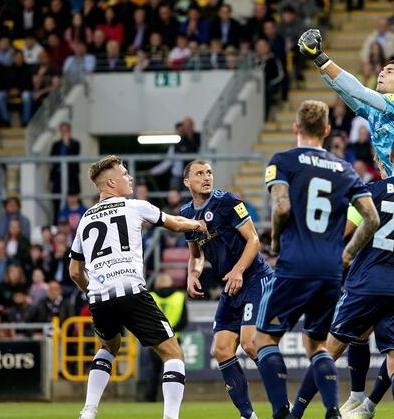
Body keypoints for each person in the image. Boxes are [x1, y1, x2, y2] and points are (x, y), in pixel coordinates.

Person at [299, 29, 394, 398]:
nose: (382, 73)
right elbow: (348, 92)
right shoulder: (374, 112)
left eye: (390, 71)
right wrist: (319, 64)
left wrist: (322, 58)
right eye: (382, 69)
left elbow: (361, 91)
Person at [293, 133, 394, 419]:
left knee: (328, 350)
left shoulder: (371, 191)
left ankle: (296, 412)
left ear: (391, 159)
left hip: (366, 282)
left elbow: (345, 231)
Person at [254, 100, 379, 419]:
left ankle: (282, 412)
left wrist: (275, 238)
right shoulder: (345, 169)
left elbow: (281, 207)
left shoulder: (282, 160)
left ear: (296, 127)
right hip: (330, 269)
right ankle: (332, 411)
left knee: (265, 338)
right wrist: (347, 254)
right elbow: (372, 219)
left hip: (295, 264)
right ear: (326, 130)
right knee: (317, 345)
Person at [69, 155, 208, 419]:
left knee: (108, 347)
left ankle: (88, 410)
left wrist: (92, 290)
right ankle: (170, 417)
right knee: (173, 355)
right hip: (131, 292)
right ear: (111, 182)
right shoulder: (134, 206)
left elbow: (75, 271)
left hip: (99, 299)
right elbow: (176, 223)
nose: (129, 177)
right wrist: (198, 224)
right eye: (124, 174)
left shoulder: (85, 219)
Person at [181, 160, 272, 419]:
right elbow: (196, 255)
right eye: (199, 174)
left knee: (250, 343)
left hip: (255, 277)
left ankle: (282, 407)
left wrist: (238, 270)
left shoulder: (228, 202)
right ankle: (248, 415)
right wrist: (192, 274)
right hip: (231, 286)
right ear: (187, 182)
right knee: (220, 350)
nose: (206, 177)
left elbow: (254, 240)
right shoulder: (187, 213)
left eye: (209, 172)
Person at [138, 273, 188, 403]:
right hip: (175, 339)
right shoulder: (179, 297)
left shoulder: (151, 296)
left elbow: (145, 319)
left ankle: (150, 398)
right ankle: (174, 399)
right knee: (175, 369)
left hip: (155, 339)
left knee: (153, 371)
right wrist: (172, 330)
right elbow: (184, 321)